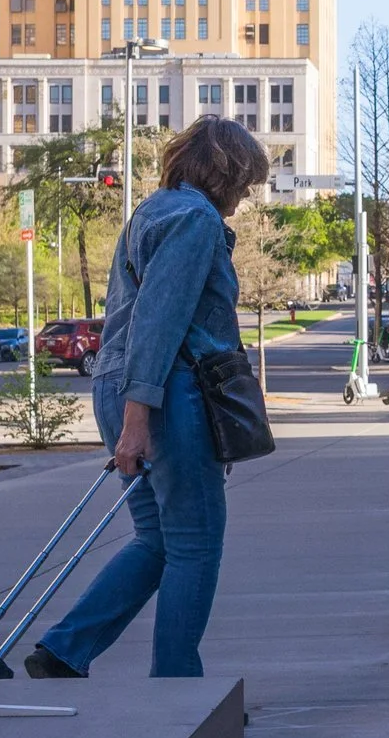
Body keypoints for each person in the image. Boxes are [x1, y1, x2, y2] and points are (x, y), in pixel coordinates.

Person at [24, 118, 269, 679]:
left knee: (157, 539)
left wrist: (130, 417)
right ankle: (177, 684)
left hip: (121, 387)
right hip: (164, 392)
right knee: (196, 543)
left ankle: (64, 649)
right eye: (246, 182)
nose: (247, 196)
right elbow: (159, 323)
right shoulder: (194, 219)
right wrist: (141, 422)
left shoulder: (152, 210)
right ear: (225, 172)